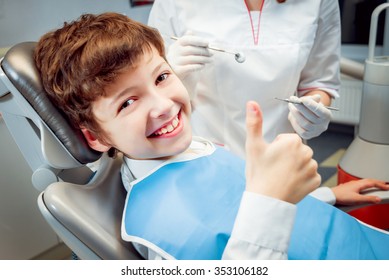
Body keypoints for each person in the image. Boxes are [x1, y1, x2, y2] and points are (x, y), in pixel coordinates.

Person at [34, 12, 389, 260]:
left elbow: (237, 208)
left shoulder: (195, 150)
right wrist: (272, 200)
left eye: (161, 77)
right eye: (128, 102)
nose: (163, 105)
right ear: (95, 137)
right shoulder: (158, 225)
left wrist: (327, 197)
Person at [148, 0, 341, 159]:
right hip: (202, 152)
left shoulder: (319, 3)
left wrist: (314, 112)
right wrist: (170, 74)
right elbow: (146, 91)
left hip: (281, 155)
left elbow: (320, 82)